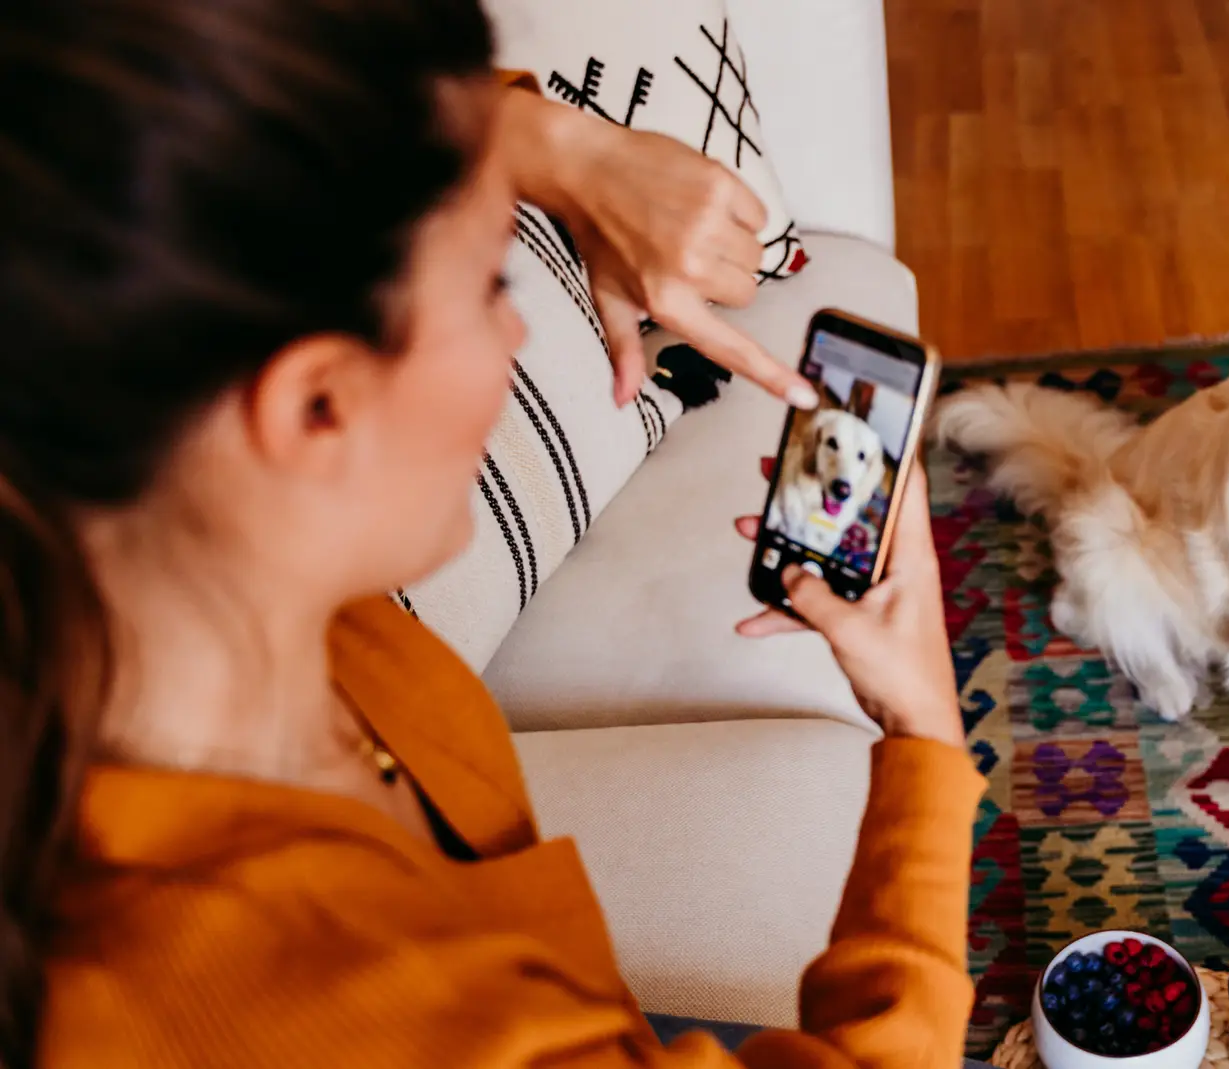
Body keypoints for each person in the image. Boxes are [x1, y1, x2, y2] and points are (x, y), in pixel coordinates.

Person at [0, 1, 981, 1066]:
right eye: (489, 286)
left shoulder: (197, 590)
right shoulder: (388, 1020)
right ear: (314, 407)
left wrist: (563, 151)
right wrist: (923, 729)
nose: (519, 331)